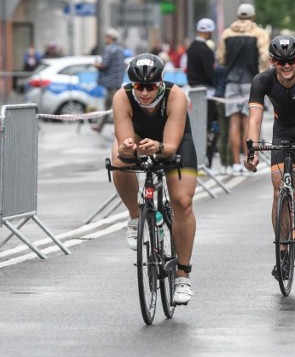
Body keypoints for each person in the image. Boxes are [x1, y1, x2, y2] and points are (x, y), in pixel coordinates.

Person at [110, 53, 198, 305]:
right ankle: (136, 217)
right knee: (117, 160)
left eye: (151, 86)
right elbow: (125, 142)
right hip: (140, 138)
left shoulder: (176, 95)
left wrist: (159, 147)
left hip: (174, 142)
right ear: (132, 84)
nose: (145, 92)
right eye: (139, 86)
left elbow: (170, 146)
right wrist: (128, 149)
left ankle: (182, 275)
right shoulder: (122, 97)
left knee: (182, 202)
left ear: (161, 82)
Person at [244, 35, 295, 278]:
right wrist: (251, 150)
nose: (287, 65)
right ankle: (283, 252)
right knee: (279, 189)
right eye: (281, 62)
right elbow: (255, 119)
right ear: (272, 62)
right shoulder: (261, 81)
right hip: (282, 131)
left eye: (291, 60)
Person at [216, 3, 270, 175]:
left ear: (238, 16)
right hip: (250, 81)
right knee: (249, 121)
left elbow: (220, 57)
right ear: (253, 16)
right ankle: (249, 159)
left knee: (233, 122)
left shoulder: (227, 33)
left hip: (232, 81)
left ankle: (235, 163)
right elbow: (264, 57)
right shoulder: (259, 34)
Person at [186, 18, 217, 167]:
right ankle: (205, 160)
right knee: (207, 126)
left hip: (193, 90)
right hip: (205, 92)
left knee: (195, 126)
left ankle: (196, 158)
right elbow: (209, 73)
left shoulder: (192, 47)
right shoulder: (206, 50)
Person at [92, 28, 126, 133]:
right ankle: (100, 126)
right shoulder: (120, 49)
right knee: (108, 105)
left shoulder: (109, 49)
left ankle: (120, 129)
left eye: (106, 37)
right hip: (117, 82)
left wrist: (96, 65)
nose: (105, 39)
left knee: (116, 107)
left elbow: (104, 64)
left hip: (110, 83)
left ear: (111, 38)